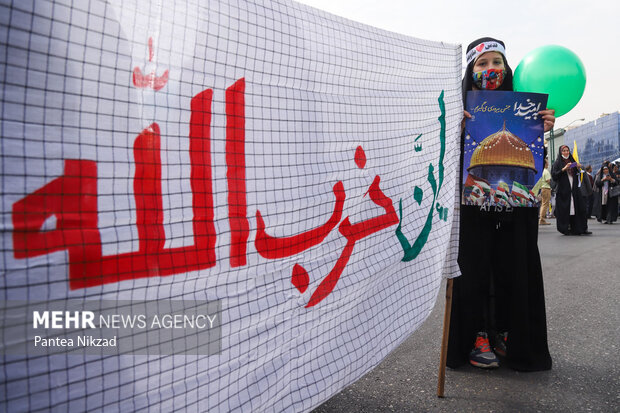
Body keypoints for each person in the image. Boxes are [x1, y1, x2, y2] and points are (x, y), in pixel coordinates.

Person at [447, 37, 554, 372]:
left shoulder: (525, 109)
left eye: (497, 63)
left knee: (514, 270)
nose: (490, 70)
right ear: (470, 71)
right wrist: (456, 129)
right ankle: (477, 335)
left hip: (515, 215)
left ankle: (509, 333)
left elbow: (536, 166)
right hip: (473, 212)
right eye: (482, 64)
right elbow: (449, 161)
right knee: (475, 273)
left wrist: (544, 129)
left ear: (507, 69)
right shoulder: (457, 109)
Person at [551, 145, 590, 235]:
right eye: (564, 151)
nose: (566, 152)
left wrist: (578, 167)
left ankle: (580, 228)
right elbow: (554, 176)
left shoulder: (572, 161)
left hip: (575, 189)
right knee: (566, 209)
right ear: (561, 152)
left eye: (567, 150)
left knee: (579, 208)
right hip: (564, 190)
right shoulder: (557, 163)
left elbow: (579, 173)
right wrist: (564, 169)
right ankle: (565, 228)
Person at [538, 158, 552, 225]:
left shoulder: (542, 171)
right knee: (545, 204)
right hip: (546, 189)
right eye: (547, 162)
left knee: (543, 204)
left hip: (542, 188)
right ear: (545, 164)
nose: (548, 163)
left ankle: (541, 219)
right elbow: (548, 181)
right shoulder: (546, 171)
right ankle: (542, 219)